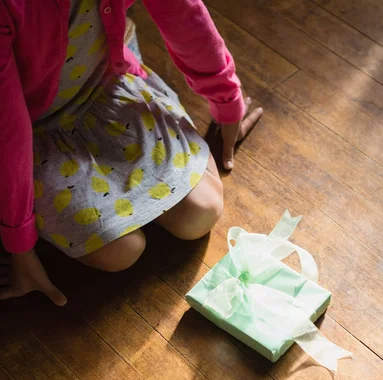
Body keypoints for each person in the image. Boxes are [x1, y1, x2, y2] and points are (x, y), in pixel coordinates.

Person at [0, 0, 262, 306]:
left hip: (108, 90)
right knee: (121, 252)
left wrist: (226, 98)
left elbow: (184, 15)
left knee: (200, 212)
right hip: (35, 134)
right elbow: (9, 129)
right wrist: (20, 243)